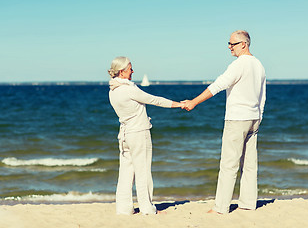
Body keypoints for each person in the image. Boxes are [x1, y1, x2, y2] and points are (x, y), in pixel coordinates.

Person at [182, 30, 266, 214]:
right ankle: (248, 204)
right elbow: (262, 96)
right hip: (253, 118)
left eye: (232, 44)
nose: (229, 47)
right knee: (250, 164)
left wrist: (194, 102)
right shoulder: (258, 64)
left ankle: (221, 208)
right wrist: (259, 116)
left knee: (229, 164)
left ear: (244, 44)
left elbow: (217, 86)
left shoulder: (239, 65)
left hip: (237, 118)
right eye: (228, 44)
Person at [108, 56, 182, 215]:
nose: (132, 71)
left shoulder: (112, 91)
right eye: (130, 69)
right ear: (121, 72)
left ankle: (123, 209)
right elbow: (154, 100)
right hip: (139, 133)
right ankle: (147, 209)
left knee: (126, 173)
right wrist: (179, 104)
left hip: (125, 136)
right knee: (143, 172)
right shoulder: (129, 89)